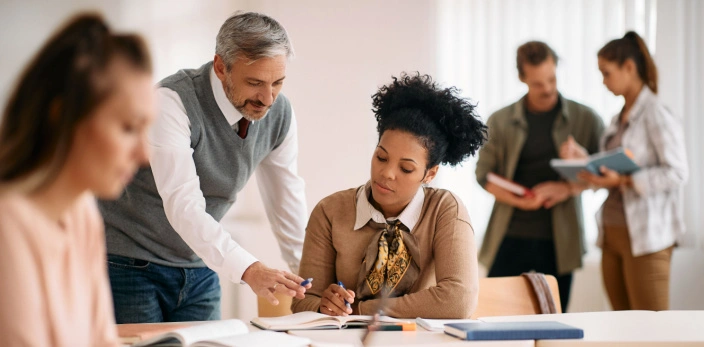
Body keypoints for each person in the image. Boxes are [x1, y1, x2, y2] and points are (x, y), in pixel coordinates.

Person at [99, 11, 310, 323]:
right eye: (255, 83)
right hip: (131, 263)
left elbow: (286, 200)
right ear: (221, 67)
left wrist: (309, 275)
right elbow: (183, 204)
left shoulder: (279, 114)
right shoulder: (171, 102)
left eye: (277, 82)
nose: (268, 98)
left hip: (199, 268)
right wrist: (249, 269)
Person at [0, 14, 155, 346]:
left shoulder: (82, 212)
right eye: (129, 128)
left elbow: (101, 339)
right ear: (64, 119)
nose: (145, 155)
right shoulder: (8, 225)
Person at [291, 73, 486, 318]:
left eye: (406, 168)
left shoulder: (444, 210)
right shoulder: (330, 211)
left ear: (429, 174)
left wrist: (363, 310)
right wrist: (325, 305)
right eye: (381, 157)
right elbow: (302, 302)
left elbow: (458, 301)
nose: (387, 173)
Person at [560, 31, 688, 311]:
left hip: (646, 238)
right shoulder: (619, 118)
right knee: (622, 324)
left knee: (651, 330)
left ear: (629, 67)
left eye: (607, 73)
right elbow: (614, 166)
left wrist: (626, 180)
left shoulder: (656, 113)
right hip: (612, 233)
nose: (604, 82)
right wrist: (586, 160)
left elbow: (677, 172)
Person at [475, 41, 605, 312]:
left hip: (559, 241)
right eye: (537, 83)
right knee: (494, 314)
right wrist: (518, 200)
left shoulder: (586, 119)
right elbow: (483, 174)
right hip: (509, 234)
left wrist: (566, 189)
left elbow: (603, 174)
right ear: (522, 78)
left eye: (552, 79)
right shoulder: (499, 120)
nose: (547, 88)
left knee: (554, 322)